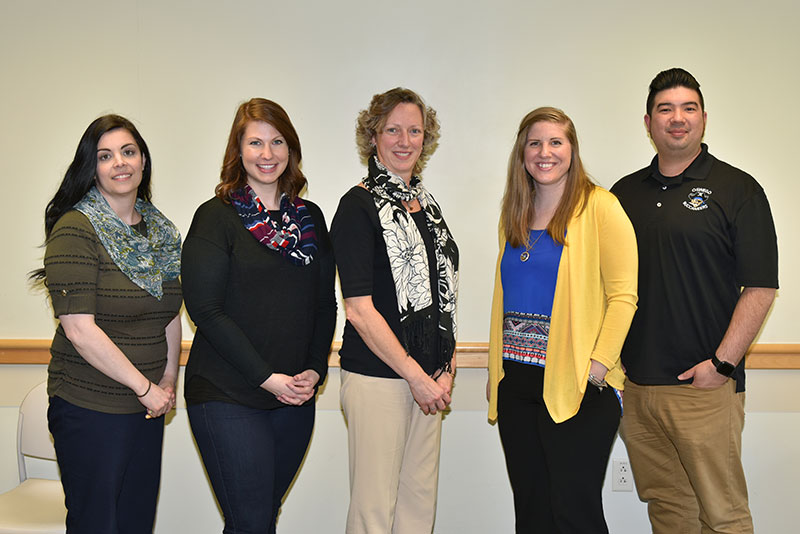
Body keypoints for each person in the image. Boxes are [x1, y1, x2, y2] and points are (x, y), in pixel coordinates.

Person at [611, 68, 778, 534]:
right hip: (638, 390)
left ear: (704, 118)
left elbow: (761, 287)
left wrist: (721, 365)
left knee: (721, 515)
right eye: (665, 109)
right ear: (648, 122)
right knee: (668, 512)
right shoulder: (622, 195)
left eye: (688, 108)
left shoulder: (738, 189)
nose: (677, 119)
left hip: (704, 388)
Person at [181, 98, 336, 534]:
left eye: (277, 141)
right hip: (227, 393)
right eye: (255, 143)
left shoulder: (311, 219)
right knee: (250, 520)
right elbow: (205, 311)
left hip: (293, 396)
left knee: (261, 518)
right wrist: (266, 377)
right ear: (238, 150)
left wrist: (314, 370)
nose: (267, 153)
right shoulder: (216, 218)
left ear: (290, 149)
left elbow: (325, 305)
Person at [486, 107, 638, 534]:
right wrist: (497, 371)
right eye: (534, 143)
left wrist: (599, 366)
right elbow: (506, 296)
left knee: (574, 514)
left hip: (579, 382)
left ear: (572, 149)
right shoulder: (514, 212)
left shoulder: (601, 207)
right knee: (532, 511)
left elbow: (624, 296)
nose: (545, 152)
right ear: (522, 152)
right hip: (516, 383)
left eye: (556, 142)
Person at [33, 114, 182, 533]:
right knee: (98, 525)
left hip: (148, 408)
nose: (120, 163)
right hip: (90, 407)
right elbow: (80, 330)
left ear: (143, 161)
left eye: (128, 152)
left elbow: (169, 309)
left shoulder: (162, 232)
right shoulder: (75, 229)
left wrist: (168, 379)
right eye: (105, 156)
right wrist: (145, 388)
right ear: (91, 167)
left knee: (135, 523)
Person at [330, 87, 459, 534]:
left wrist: (445, 367)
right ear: (373, 136)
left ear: (427, 138)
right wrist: (417, 376)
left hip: (429, 381)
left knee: (417, 508)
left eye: (415, 131)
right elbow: (360, 310)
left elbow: (445, 297)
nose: (405, 141)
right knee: (374, 512)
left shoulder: (428, 206)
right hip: (379, 378)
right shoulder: (357, 206)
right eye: (393, 130)